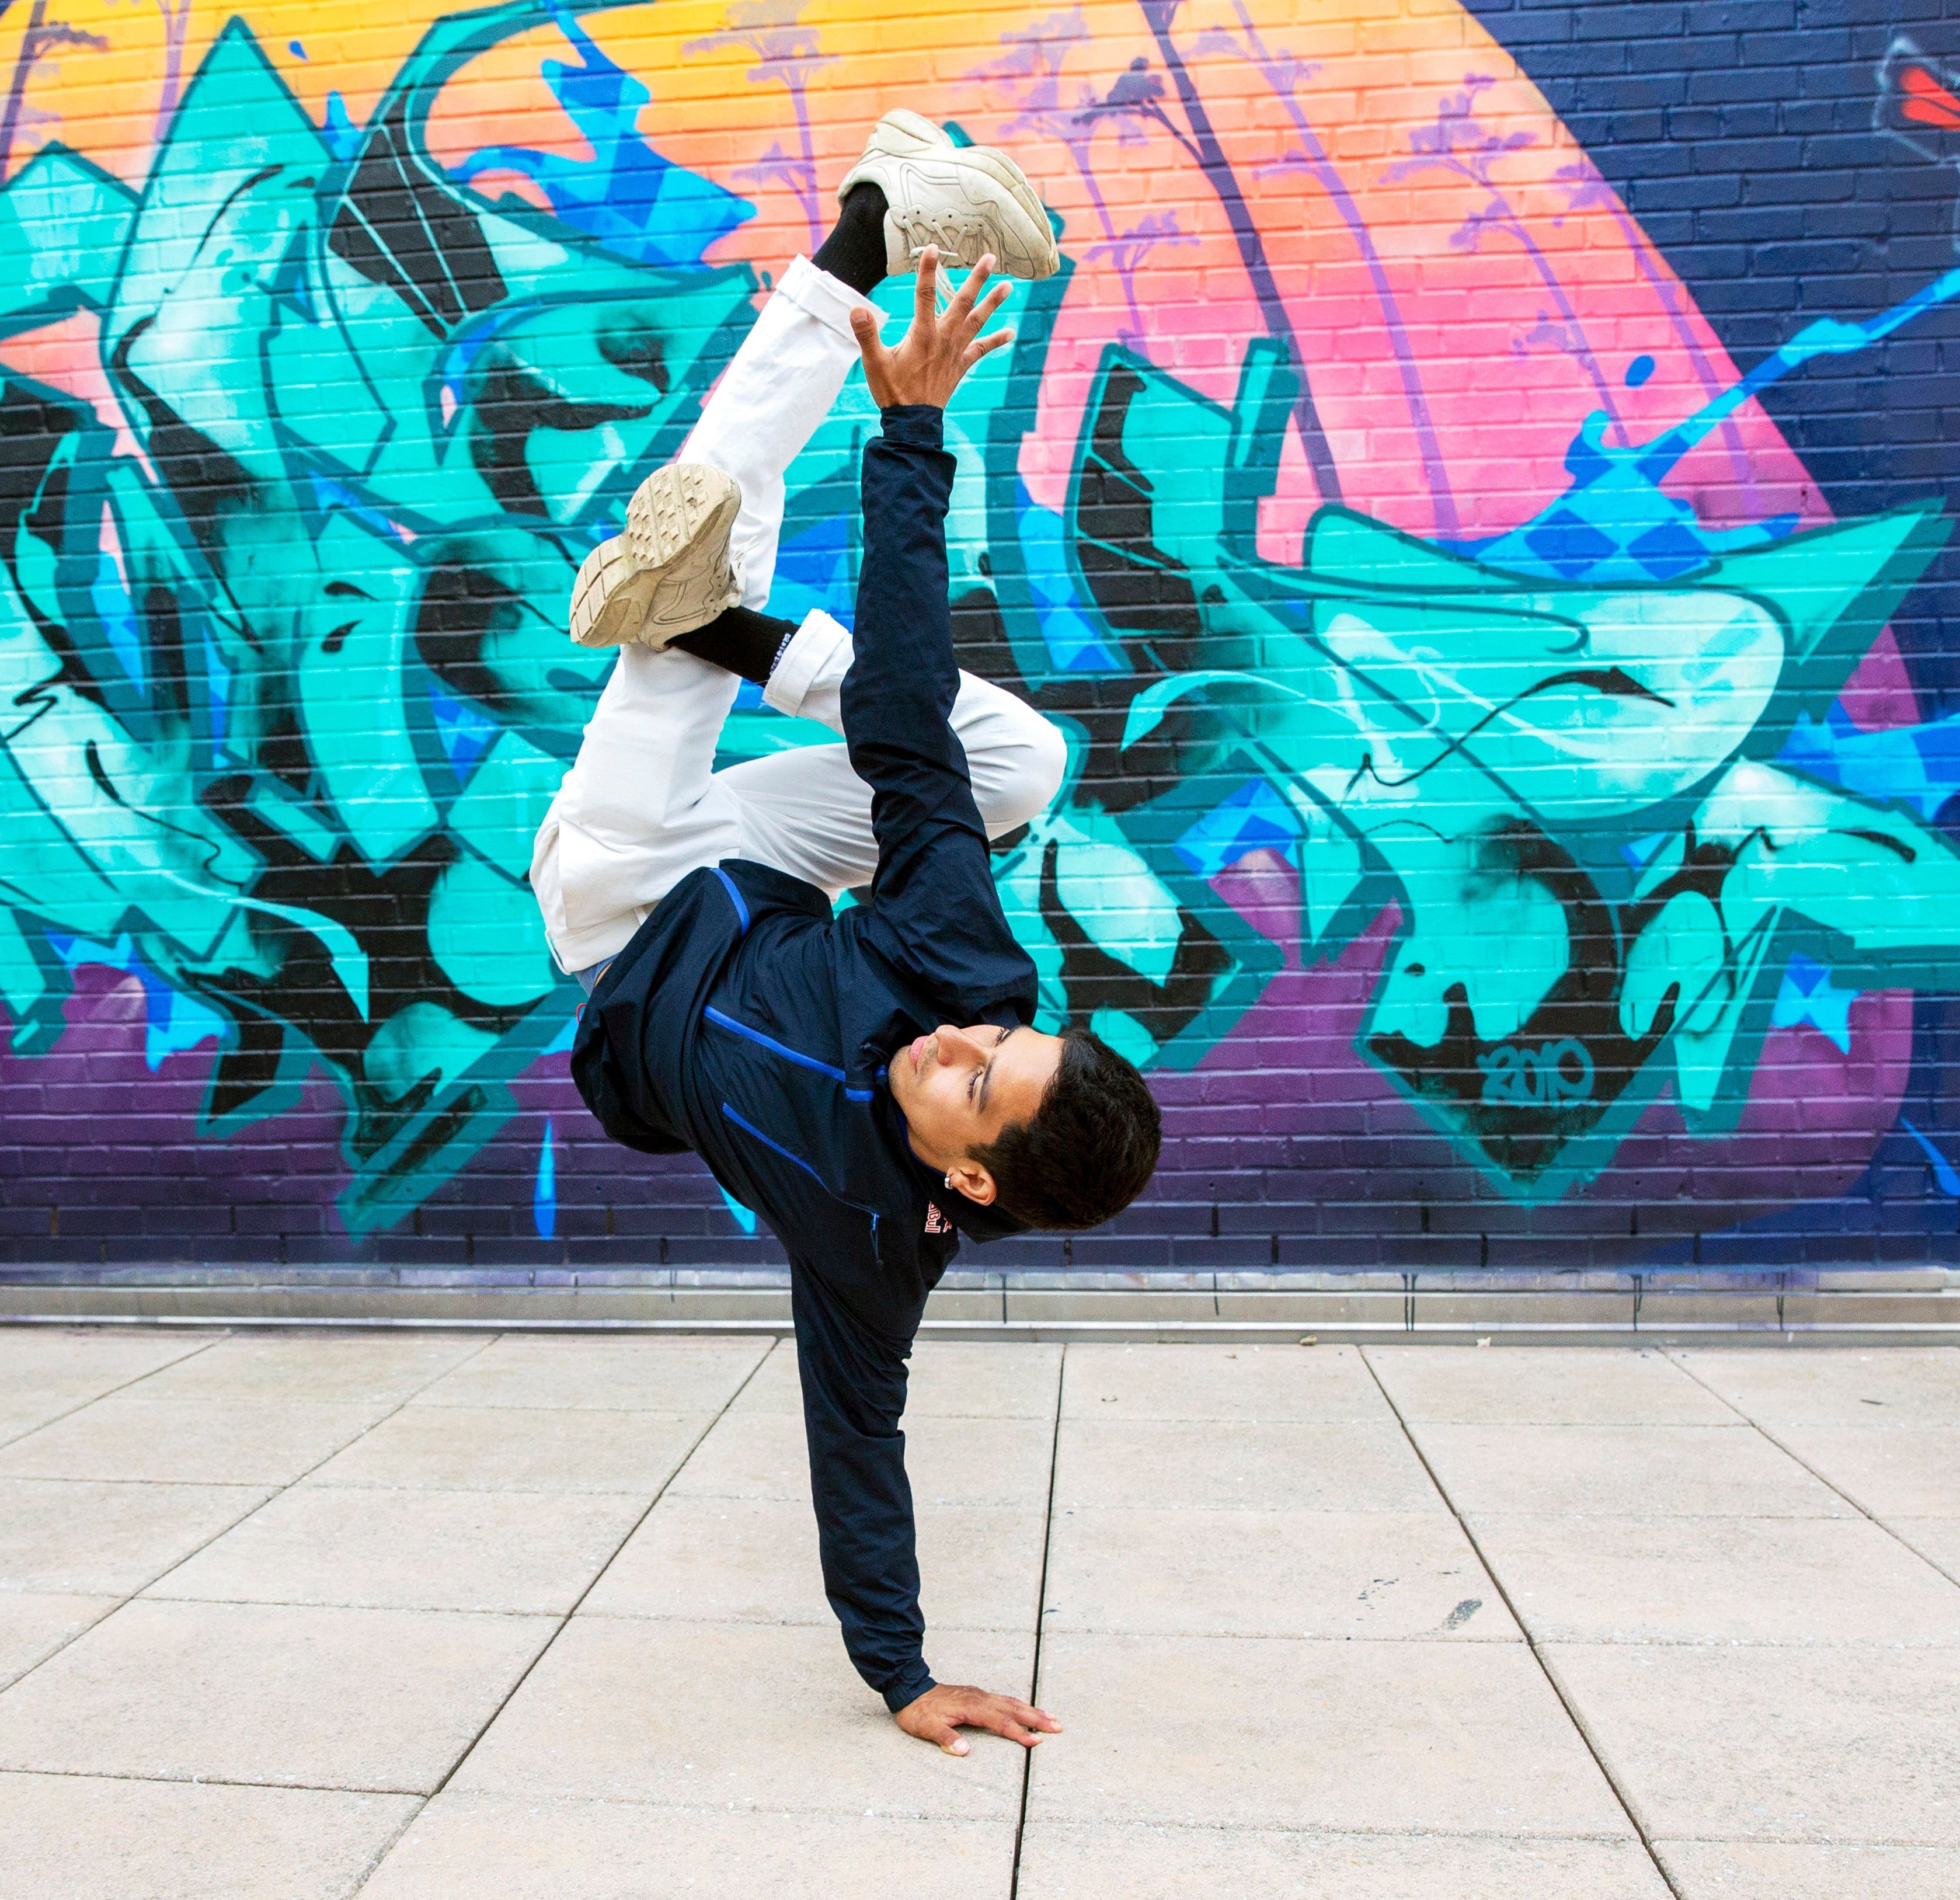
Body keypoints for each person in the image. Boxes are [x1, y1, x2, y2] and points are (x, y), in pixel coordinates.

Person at [530, 114, 1166, 1756]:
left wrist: (901, 1672)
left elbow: (856, 1445)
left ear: (964, 1184)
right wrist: (911, 438)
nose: (948, 1042)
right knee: (1009, 759)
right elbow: (900, 715)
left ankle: (709, 574)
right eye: (996, 1038)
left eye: (966, 1084)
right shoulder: (965, 974)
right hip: (754, 884)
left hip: (619, 911)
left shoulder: (868, 1246)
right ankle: (860, 255)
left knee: (710, 516)